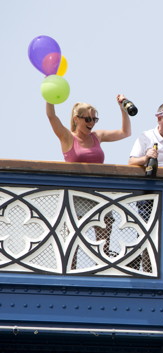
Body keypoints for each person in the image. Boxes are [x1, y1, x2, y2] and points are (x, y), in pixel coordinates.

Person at [46, 95, 132, 265]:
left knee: (103, 245)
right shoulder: (67, 137)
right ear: (76, 119)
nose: (91, 123)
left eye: (94, 119)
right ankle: (70, 278)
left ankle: (102, 272)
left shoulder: (96, 137)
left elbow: (125, 132)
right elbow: (51, 116)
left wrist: (123, 109)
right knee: (72, 245)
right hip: (75, 196)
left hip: (98, 195)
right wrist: (50, 95)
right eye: (87, 119)